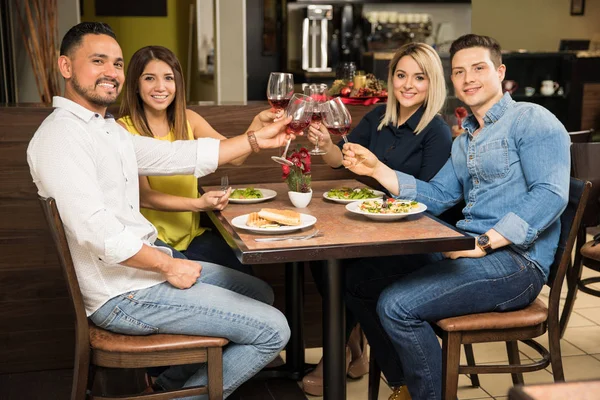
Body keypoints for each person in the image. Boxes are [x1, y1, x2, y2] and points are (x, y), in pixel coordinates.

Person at [27, 22, 293, 398]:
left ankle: (169, 385)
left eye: (117, 64)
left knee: (258, 292)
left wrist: (254, 139)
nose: (111, 72)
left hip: (138, 279)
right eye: (98, 61)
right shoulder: (60, 137)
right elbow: (96, 231)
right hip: (121, 295)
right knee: (274, 330)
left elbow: (177, 154)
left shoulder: (105, 130)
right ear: (66, 67)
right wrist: (169, 265)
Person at [341, 34, 570, 400]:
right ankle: (405, 384)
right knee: (359, 279)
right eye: (459, 72)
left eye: (478, 68)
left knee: (397, 305)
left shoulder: (532, 119)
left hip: (516, 263)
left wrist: (484, 241)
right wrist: (379, 169)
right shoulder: (466, 141)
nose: (468, 79)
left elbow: (551, 194)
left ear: (500, 72)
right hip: (467, 251)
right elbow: (439, 195)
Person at [303, 42, 452, 398]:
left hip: (415, 238)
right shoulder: (378, 118)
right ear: (391, 79)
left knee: (352, 278)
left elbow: (435, 201)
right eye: (401, 75)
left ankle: (387, 372)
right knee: (320, 262)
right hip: (371, 226)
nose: (408, 84)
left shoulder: (437, 131)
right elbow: (343, 159)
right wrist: (326, 145)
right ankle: (350, 346)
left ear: (434, 83)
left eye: (420, 77)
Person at [118, 45, 275, 275]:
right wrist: (199, 204)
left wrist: (257, 124)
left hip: (193, 237)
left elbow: (236, 157)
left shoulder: (189, 119)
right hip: (153, 244)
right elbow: (146, 197)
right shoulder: (123, 129)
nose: (160, 87)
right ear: (135, 85)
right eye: (150, 78)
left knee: (248, 275)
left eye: (168, 78)